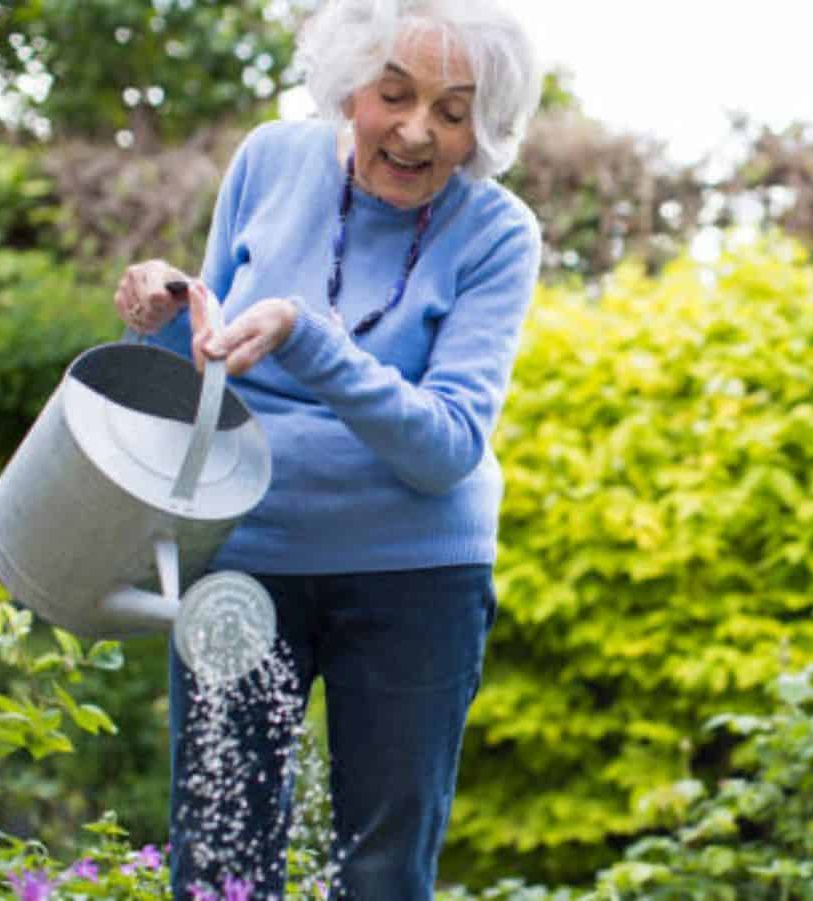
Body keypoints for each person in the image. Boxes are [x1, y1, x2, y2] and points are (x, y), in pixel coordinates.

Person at [111, 1, 543, 896]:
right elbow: (210, 356)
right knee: (220, 861)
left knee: (382, 871)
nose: (417, 130)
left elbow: (447, 444)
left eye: (453, 113)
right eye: (394, 95)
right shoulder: (271, 159)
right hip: (243, 557)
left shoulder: (499, 233)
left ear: (483, 130)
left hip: (415, 579)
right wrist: (166, 311)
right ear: (350, 86)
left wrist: (307, 335)